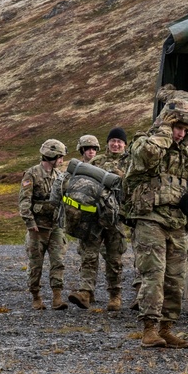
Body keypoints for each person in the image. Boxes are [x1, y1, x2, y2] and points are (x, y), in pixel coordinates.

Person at [123, 100, 188, 348]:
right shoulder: (147, 142)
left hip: (177, 220)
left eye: (184, 128)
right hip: (150, 218)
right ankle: (149, 328)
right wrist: (164, 131)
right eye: (177, 126)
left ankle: (167, 327)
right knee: (153, 274)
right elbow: (146, 156)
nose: (180, 132)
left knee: (175, 278)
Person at [67, 134, 127, 312]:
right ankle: (85, 293)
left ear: (124, 144)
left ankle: (115, 295)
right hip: (93, 217)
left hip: (115, 218)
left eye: (119, 141)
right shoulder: (96, 162)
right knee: (89, 255)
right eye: (113, 141)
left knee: (114, 258)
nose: (116, 144)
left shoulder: (130, 162)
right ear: (108, 143)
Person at [19, 139, 69, 311]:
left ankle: (57, 297)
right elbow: (24, 201)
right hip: (37, 228)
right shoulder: (31, 174)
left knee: (58, 261)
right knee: (35, 264)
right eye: (60, 157)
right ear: (51, 155)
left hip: (55, 226)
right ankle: (36, 297)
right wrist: (30, 222)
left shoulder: (59, 175)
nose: (62, 160)